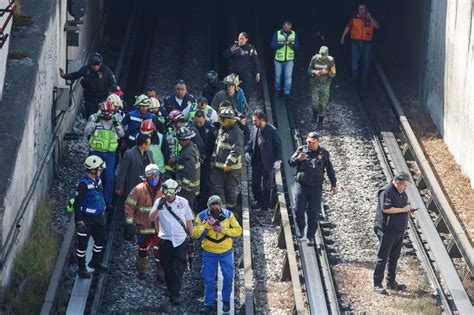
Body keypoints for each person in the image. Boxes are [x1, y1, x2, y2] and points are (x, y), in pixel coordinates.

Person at [194, 195, 242, 313]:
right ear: (208, 208)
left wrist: (223, 230)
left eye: (218, 208)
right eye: (213, 209)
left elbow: (238, 230)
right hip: (209, 252)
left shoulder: (228, 215)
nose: (216, 210)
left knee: (229, 277)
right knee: (208, 278)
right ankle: (208, 303)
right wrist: (206, 225)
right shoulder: (201, 216)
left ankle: (226, 300)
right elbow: (195, 233)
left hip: (225, 251)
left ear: (221, 206)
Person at [149, 179, 194, 306]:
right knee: (167, 268)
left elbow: (189, 220)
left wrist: (192, 236)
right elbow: (151, 218)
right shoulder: (159, 202)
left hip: (180, 242)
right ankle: (170, 290)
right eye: (167, 195)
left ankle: (175, 294)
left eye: (171, 195)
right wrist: (158, 208)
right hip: (165, 241)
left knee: (179, 268)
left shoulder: (183, 202)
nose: (169, 197)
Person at [288, 132, 336, 246]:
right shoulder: (301, 150)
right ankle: (301, 228)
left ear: (317, 142)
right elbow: (290, 162)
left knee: (313, 213)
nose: (310, 144)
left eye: (312, 142)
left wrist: (333, 184)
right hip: (302, 186)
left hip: (316, 188)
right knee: (298, 210)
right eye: (308, 142)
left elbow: (330, 170)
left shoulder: (324, 153)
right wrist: (299, 159)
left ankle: (310, 236)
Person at [373, 172, 414, 294]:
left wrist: (408, 210)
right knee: (383, 257)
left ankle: (391, 282)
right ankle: (377, 283)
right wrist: (402, 210)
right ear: (397, 182)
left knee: (394, 257)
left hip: (398, 230)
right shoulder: (386, 191)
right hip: (387, 230)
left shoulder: (402, 193)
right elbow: (386, 208)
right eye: (404, 185)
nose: (405, 188)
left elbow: (403, 206)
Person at [124, 164, 165, 280]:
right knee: (142, 250)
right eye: (151, 177)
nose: (154, 179)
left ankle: (161, 272)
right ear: (146, 177)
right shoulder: (139, 189)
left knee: (159, 251)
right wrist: (129, 222)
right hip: (143, 226)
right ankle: (141, 270)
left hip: (159, 227)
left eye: (156, 176)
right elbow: (129, 205)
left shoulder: (164, 190)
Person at [84, 99, 124, 209]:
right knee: (92, 175)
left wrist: (117, 125)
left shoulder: (116, 119)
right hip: (96, 151)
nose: (107, 116)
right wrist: (95, 122)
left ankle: (107, 200)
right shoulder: (94, 117)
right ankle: (90, 197)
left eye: (109, 113)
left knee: (109, 177)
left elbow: (121, 134)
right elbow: (87, 131)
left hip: (110, 153)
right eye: (105, 113)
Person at [73, 155, 108, 278]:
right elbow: (77, 204)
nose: (101, 170)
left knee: (102, 239)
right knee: (82, 244)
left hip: (98, 217)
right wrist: (78, 221)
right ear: (93, 170)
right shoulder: (83, 184)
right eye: (99, 169)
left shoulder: (98, 180)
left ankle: (95, 261)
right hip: (85, 219)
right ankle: (82, 268)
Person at [245, 110, 282, 211]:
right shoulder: (256, 128)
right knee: (255, 185)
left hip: (268, 163)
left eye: (255, 121)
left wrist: (278, 160)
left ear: (261, 120)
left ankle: (265, 205)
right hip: (257, 162)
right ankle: (260, 202)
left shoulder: (272, 131)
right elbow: (253, 142)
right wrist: (248, 151)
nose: (253, 122)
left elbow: (278, 146)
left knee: (267, 186)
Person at [60, 52, 117, 118]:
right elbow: (75, 75)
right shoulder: (86, 69)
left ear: (100, 63)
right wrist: (64, 76)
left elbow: (113, 83)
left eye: (97, 65)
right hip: (90, 98)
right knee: (91, 116)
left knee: (102, 115)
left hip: (102, 97)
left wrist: (110, 91)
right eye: (93, 65)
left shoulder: (106, 70)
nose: (95, 67)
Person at [210, 107, 244, 212]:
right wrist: (213, 160)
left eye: (222, 119)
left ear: (228, 119)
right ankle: (222, 211)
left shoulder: (237, 133)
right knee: (218, 188)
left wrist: (228, 163)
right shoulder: (222, 130)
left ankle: (231, 211)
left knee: (230, 191)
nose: (220, 120)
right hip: (219, 167)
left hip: (232, 169)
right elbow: (217, 146)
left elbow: (237, 150)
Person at [340, 3, 379, 82]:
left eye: (363, 9)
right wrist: (343, 37)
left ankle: (364, 80)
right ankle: (354, 80)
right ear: (358, 10)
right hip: (355, 43)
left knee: (366, 63)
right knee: (354, 65)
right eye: (359, 9)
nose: (361, 10)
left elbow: (377, 26)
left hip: (367, 44)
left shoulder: (370, 18)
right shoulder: (354, 18)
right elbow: (348, 27)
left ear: (366, 10)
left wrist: (370, 17)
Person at [115, 133, 154, 198]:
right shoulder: (129, 154)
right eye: (149, 144)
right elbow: (122, 172)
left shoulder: (149, 153)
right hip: (133, 186)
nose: (150, 145)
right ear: (144, 144)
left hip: (146, 187)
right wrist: (119, 187)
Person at [223, 32, 261, 98]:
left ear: (246, 39)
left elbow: (256, 61)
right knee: (232, 91)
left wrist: (257, 73)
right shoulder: (234, 47)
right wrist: (231, 50)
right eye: (239, 39)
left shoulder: (250, 48)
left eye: (242, 39)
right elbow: (225, 55)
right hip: (234, 74)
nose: (240, 40)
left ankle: (244, 106)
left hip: (246, 74)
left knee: (245, 92)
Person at [307, 46, 336, 129]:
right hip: (315, 84)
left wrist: (327, 72)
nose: (322, 56)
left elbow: (333, 74)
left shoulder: (330, 60)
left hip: (325, 85)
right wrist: (314, 72)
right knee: (314, 103)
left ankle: (320, 121)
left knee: (323, 104)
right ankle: (315, 114)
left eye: (324, 55)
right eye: (321, 54)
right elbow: (309, 70)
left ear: (327, 54)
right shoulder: (314, 59)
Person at [193, 111, 216, 210]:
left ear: (204, 120)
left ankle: (203, 203)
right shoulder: (191, 128)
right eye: (196, 122)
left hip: (207, 158)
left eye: (200, 123)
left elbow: (214, 145)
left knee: (205, 181)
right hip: (195, 158)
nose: (198, 125)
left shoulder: (210, 129)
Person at [175, 126, 201, 210]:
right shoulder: (192, 147)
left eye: (179, 140)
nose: (179, 142)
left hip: (187, 189)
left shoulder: (188, 152)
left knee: (186, 211)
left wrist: (184, 186)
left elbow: (190, 170)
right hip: (190, 188)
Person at [271, 20, 299, 97]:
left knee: (288, 77)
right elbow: (272, 45)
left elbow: (297, 46)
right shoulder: (277, 33)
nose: (287, 30)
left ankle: (287, 92)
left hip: (289, 60)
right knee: (278, 76)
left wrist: (291, 45)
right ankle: (278, 89)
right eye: (286, 28)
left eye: (289, 28)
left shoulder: (293, 34)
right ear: (283, 26)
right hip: (278, 60)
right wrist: (281, 45)